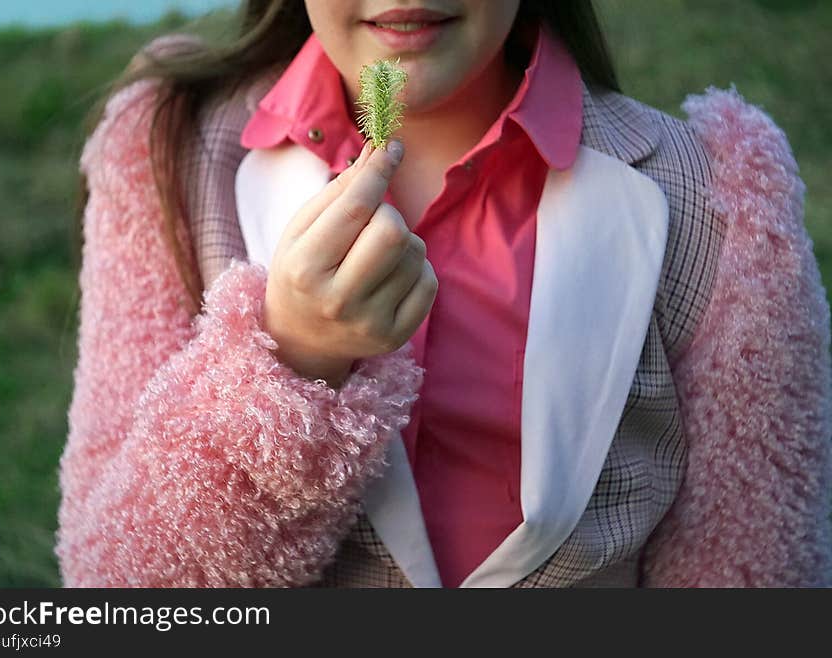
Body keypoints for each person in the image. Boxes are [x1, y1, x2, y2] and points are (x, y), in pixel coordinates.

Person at [54, 0, 832, 588]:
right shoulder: (167, 156)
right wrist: (292, 358)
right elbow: (117, 588)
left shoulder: (717, 200)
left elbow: (756, 568)